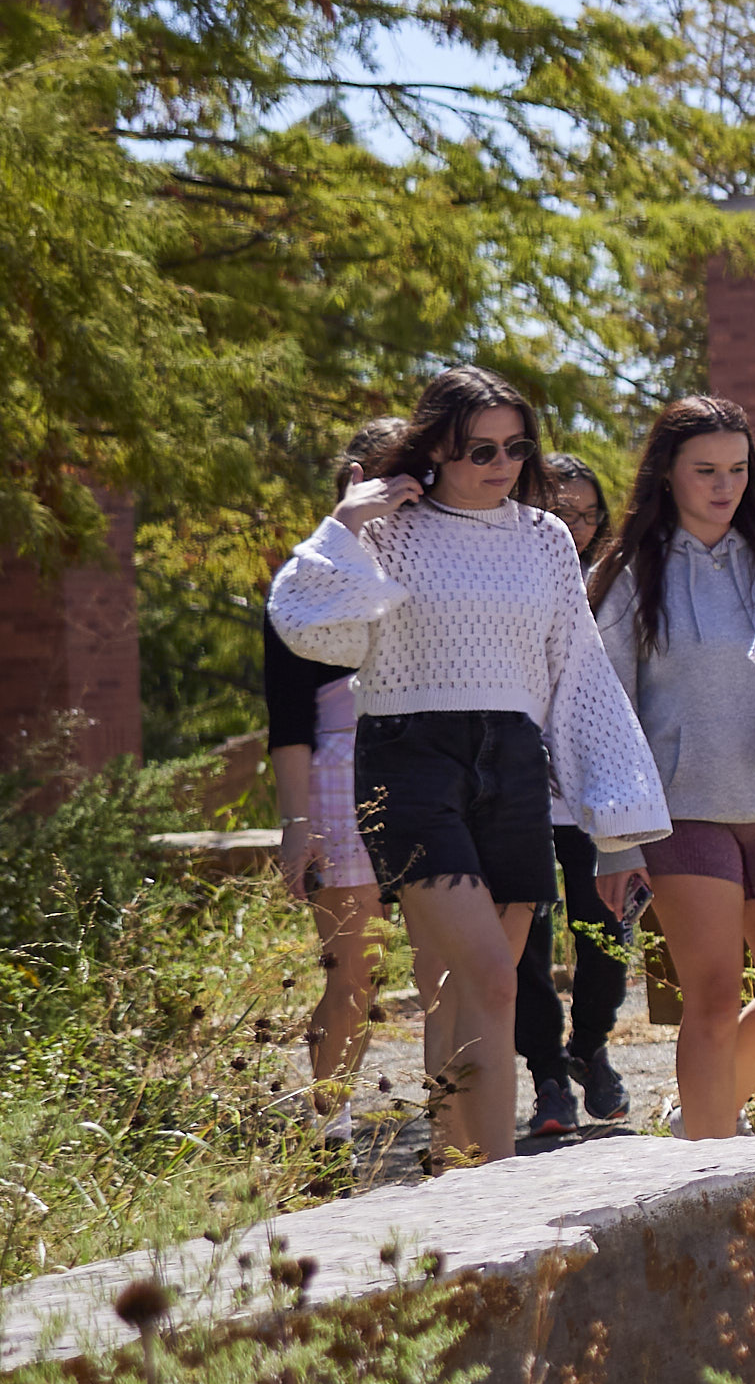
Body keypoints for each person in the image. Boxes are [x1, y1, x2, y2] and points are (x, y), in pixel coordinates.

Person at [263, 366, 667, 1167]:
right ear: (437, 448)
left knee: (467, 991)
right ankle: (501, 1188)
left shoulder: (544, 538)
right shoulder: (386, 529)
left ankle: (457, 1175)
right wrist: (343, 525)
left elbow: (578, 674)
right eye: (479, 448)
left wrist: (618, 829)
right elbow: (311, 629)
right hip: (409, 758)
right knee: (493, 976)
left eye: (516, 447)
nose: (501, 462)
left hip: (515, 763)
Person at [595, 394, 755, 1138]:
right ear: (667, 474)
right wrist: (617, 843)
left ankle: (700, 1123)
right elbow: (606, 712)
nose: (723, 485)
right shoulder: (631, 574)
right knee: (714, 999)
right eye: (704, 470)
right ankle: (709, 1171)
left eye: (735, 468)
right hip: (681, 812)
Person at [261, 409, 416, 1114]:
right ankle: (330, 1130)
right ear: (354, 481)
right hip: (338, 779)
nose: (408, 489)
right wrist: (296, 823)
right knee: (356, 967)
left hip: (427, 769)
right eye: (391, 475)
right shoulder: (307, 582)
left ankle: (465, 1134)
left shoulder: (437, 563)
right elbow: (288, 719)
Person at [512, 450, 633, 1143]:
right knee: (529, 936)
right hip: (523, 789)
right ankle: (548, 1076)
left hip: (595, 793)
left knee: (605, 930)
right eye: (562, 511)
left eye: (589, 512)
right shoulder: (514, 575)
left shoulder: (614, 586)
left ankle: (590, 1044)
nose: (578, 525)